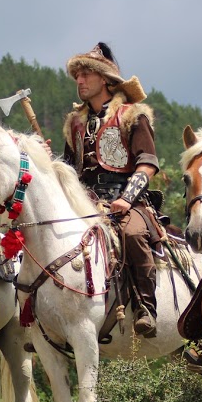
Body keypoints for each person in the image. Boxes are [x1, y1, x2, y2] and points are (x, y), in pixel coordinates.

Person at [61, 42, 160, 338]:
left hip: (127, 200)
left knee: (131, 234)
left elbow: (148, 164)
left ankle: (146, 307)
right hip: (84, 202)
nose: (79, 81)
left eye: (86, 75)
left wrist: (126, 199)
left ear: (104, 79)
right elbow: (69, 171)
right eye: (76, 75)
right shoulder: (75, 123)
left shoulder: (132, 115)